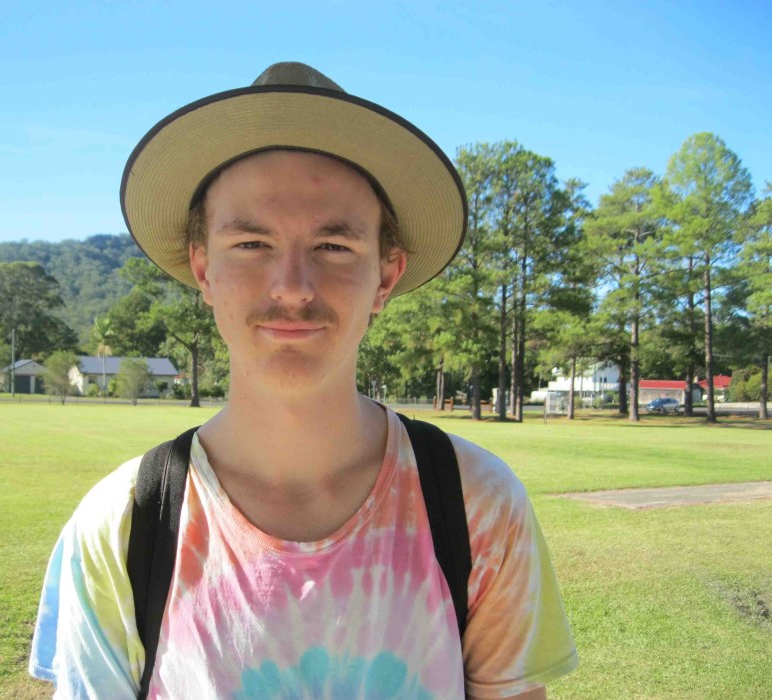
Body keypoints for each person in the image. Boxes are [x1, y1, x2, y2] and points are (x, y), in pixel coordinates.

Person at [30, 62, 578, 699]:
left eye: (333, 247)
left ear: (386, 276)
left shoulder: (477, 503)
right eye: (252, 244)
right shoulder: (123, 524)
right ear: (204, 271)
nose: (292, 286)